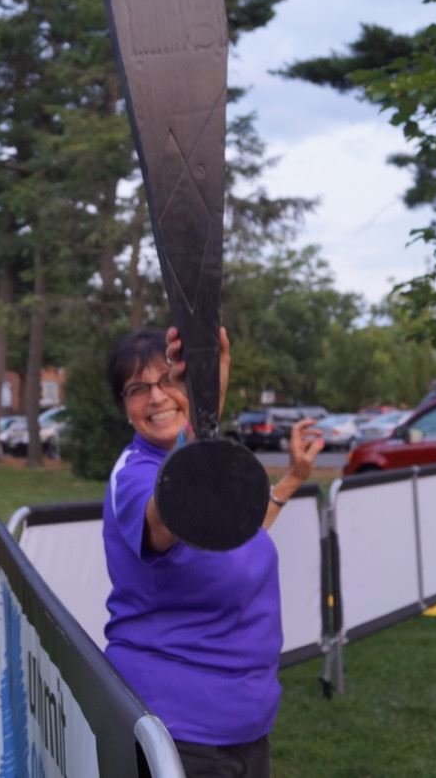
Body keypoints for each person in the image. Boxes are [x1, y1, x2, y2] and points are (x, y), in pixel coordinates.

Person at [101, 326, 323, 778]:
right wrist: (206, 405)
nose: (158, 397)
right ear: (125, 408)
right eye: (138, 389)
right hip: (178, 728)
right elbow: (167, 521)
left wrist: (292, 479)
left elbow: (233, 533)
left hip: (245, 718)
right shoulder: (134, 476)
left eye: (169, 381)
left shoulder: (203, 460)